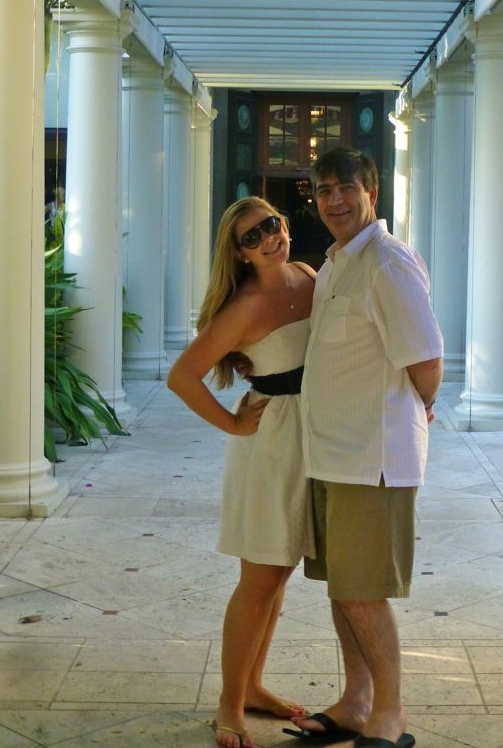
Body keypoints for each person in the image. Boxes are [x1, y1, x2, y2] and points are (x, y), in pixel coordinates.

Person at [285, 148, 443, 748]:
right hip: (331, 454)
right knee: (344, 589)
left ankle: (390, 716)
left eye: (345, 188)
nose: (334, 201)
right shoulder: (335, 264)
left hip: (370, 459)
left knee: (362, 591)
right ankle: (355, 703)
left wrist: (419, 407)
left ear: (371, 190)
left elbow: (426, 359)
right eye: (323, 191)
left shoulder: (386, 262)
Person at [167, 196, 316, 748]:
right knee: (258, 579)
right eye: (252, 237)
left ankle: (253, 684)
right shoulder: (246, 306)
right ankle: (230, 703)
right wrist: (232, 425)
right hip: (271, 444)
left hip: (312, 436)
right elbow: (183, 376)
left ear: (284, 223)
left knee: (279, 575)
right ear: (240, 253)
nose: (267, 239)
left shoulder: (306, 275)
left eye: (271, 226)